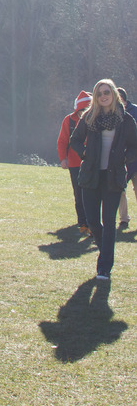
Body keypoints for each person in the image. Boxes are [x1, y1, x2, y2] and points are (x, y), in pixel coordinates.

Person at [70, 79, 137, 281]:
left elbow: (135, 145)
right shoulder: (89, 117)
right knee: (92, 221)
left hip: (113, 177)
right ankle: (104, 251)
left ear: (114, 94)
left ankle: (104, 268)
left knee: (109, 222)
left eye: (107, 92)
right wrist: (85, 155)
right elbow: (74, 140)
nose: (103, 96)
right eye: (99, 93)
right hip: (91, 175)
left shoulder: (125, 120)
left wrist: (125, 159)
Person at [56, 91, 92, 235]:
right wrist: (63, 159)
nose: (84, 113)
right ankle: (82, 222)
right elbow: (62, 141)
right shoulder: (69, 121)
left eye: (87, 110)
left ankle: (92, 222)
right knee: (78, 194)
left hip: (91, 163)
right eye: (82, 110)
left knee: (91, 193)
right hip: (75, 164)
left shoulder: (95, 119)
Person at [117, 87, 137, 224]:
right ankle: (124, 219)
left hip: (134, 156)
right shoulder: (112, 113)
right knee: (120, 189)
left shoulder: (134, 111)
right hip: (121, 159)